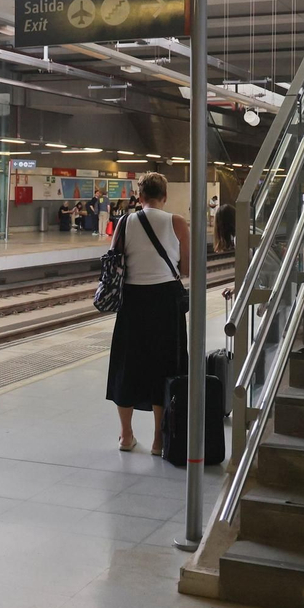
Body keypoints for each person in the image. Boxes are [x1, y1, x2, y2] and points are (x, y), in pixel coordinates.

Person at [106, 172, 190, 454]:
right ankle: (158, 440)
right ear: (165, 196)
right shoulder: (177, 222)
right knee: (165, 367)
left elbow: (112, 263)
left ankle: (126, 436)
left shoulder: (124, 223)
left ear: (139, 197)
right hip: (166, 301)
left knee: (127, 365)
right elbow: (187, 269)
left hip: (132, 301)